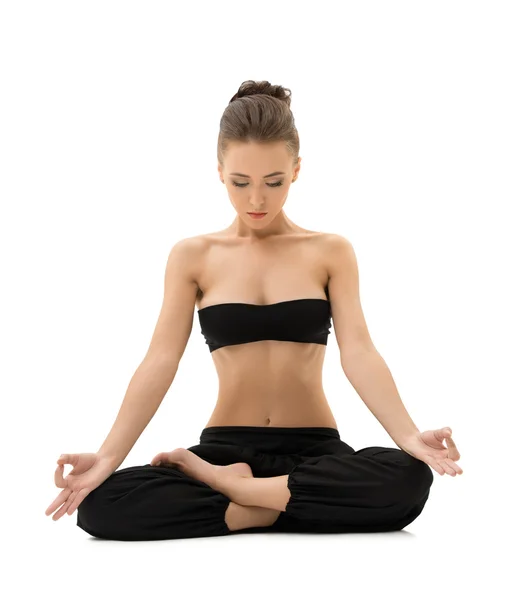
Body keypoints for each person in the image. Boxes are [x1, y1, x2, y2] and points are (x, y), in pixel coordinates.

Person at [45, 80, 463, 541]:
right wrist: (106, 459)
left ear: (297, 170)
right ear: (220, 171)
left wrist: (408, 437)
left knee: (408, 477)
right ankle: (284, 503)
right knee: (101, 505)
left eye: (274, 182)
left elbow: (359, 352)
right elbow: (160, 360)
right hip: (224, 448)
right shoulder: (193, 256)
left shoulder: (330, 251)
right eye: (240, 183)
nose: (257, 201)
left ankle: (238, 497)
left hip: (314, 449)